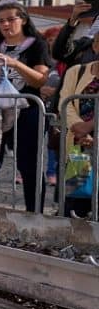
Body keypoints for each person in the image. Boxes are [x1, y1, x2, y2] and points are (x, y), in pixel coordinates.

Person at [0, 0, 52, 211]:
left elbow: (40, 79)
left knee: (29, 164)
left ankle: (34, 212)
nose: (6, 25)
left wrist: (15, 63)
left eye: (10, 19)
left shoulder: (37, 43)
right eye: (0, 21)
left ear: (24, 20)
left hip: (28, 109)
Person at [60, 31, 99, 218]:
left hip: (92, 141)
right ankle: (71, 244)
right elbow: (64, 102)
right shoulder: (76, 72)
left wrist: (91, 127)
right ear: (96, 47)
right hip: (78, 149)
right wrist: (79, 128)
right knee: (75, 205)